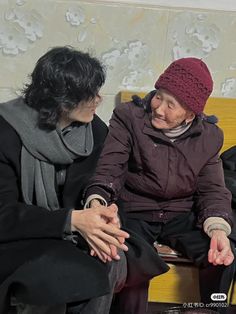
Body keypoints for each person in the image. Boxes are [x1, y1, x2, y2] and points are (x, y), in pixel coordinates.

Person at [84, 57, 236, 314]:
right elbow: (110, 167)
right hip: (135, 209)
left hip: (179, 213)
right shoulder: (128, 117)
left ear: (190, 113)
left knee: (222, 254)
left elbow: (212, 189)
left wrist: (219, 229)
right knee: (131, 255)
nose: (159, 108)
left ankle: (212, 309)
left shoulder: (210, 136)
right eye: (158, 96)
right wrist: (98, 200)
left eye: (170, 104)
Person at [0, 46, 130, 314]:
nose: (99, 99)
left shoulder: (93, 129)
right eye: (90, 94)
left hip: (70, 235)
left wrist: (100, 208)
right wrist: (71, 221)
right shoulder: (6, 131)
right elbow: (3, 214)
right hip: (18, 237)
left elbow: (101, 180)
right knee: (55, 277)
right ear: (61, 100)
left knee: (112, 257)